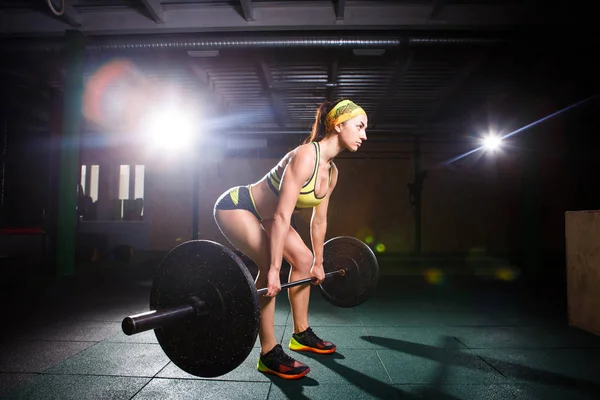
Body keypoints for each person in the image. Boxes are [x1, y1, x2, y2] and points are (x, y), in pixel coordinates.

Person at [213, 99, 368, 379]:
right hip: (238, 206)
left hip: (269, 216)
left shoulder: (331, 172)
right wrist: (273, 271)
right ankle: (268, 353)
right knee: (266, 262)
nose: (364, 135)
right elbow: (283, 216)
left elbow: (318, 220)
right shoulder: (306, 156)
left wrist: (318, 262)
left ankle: (301, 334)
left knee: (305, 259)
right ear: (338, 124)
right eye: (359, 126)